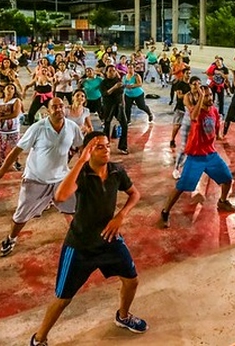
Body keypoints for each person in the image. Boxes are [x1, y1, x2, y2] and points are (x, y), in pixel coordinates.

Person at [29, 132, 147, 345]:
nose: (106, 150)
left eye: (107, 146)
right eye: (99, 147)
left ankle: (123, 316)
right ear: (89, 150)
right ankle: (39, 339)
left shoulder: (116, 171)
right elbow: (61, 196)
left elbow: (135, 194)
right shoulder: (81, 174)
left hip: (109, 239)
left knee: (132, 281)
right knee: (63, 298)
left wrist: (120, 216)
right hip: (80, 246)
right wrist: (81, 161)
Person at [0, 97, 84, 257]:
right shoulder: (38, 128)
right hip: (36, 178)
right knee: (22, 214)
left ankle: (82, 237)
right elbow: (16, 151)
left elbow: (81, 146)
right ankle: (11, 238)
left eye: (61, 106)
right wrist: (1, 171)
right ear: (48, 111)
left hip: (61, 178)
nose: (59, 109)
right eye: (54, 107)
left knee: (76, 208)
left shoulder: (72, 127)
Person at [160, 85, 235, 227]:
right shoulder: (195, 112)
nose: (210, 98)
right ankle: (165, 212)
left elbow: (215, 127)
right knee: (181, 187)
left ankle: (222, 201)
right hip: (196, 157)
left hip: (211, 154)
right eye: (206, 96)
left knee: (227, 179)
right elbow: (194, 116)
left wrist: (219, 135)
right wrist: (200, 97)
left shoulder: (214, 110)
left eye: (210, 95)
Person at [0, 83, 23, 168]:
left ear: (14, 91)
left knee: (15, 147)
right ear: (4, 90)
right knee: (1, 148)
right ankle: (1, 164)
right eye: (8, 88)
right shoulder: (0, 101)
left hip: (13, 129)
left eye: (12, 88)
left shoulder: (16, 101)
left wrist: (2, 117)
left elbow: (15, 114)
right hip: (1, 130)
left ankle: (16, 162)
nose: (10, 90)